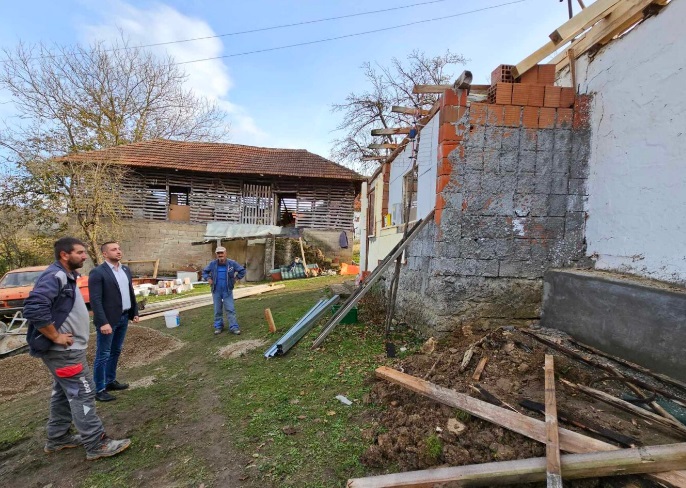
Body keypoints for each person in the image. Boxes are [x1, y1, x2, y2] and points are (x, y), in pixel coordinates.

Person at [23, 237, 131, 460]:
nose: (84, 256)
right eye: (80, 253)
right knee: (83, 392)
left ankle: (58, 437)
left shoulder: (67, 276)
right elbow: (34, 307)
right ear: (65, 254)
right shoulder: (56, 276)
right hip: (64, 352)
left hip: (69, 350)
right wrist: (55, 336)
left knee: (65, 392)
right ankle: (96, 443)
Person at [88, 241, 139, 402]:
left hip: (123, 317)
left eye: (119, 249)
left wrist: (134, 312)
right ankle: (99, 388)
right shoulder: (98, 272)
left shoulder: (124, 269)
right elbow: (95, 300)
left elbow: (130, 292)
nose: (118, 251)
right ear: (104, 254)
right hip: (108, 321)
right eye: (113, 249)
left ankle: (110, 381)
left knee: (116, 351)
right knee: (103, 354)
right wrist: (102, 322)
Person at [202, 246, 246, 336]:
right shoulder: (212, 264)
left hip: (227, 290)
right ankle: (218, 326)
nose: (220, 255)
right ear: (216, 254)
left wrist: (236, 278)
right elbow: (204, 272)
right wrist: (208, 278)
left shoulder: (231, 263)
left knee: (230, 309)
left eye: (222, 253)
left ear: (225, 253)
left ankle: (234, 327)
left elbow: (242, 271)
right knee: (217, 310)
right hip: (216, 290)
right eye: (218, 253)